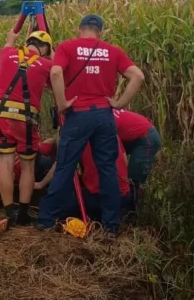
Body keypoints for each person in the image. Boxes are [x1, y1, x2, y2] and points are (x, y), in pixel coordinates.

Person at [37, 14, 145, 236]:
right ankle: (111, 226)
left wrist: (62, 103)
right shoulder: (112, 50)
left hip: (78, 115)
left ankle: (46, 220)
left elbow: (56, 72)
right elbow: (138, 76)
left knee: (65, 167)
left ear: (80, 29)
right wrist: (120, 103)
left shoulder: (68, 47)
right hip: (104, 116)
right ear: (100, 32)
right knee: (108, 169)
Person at [0, 28, 54, 225]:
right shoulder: (46, 64)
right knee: (28, 167)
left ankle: (9, 210)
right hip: (25, 121)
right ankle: (24, 213)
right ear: (44, 49)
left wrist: (11, 37)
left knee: (5, 164)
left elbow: (9, 43)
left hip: (0, 116)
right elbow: (58, 78)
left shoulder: (6, 54)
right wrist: (52, 55)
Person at [113, 109, 161, 194]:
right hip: (130, 136)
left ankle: (134, 203)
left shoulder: (108, 120)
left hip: (146, 137)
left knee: (134, 180)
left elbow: (121, 154)